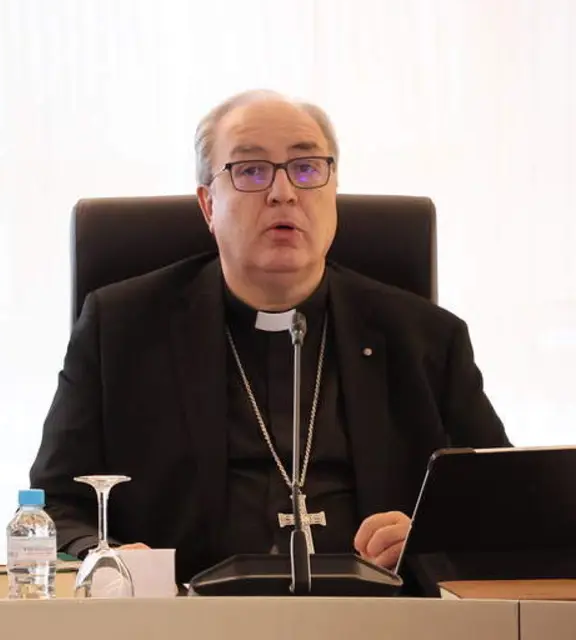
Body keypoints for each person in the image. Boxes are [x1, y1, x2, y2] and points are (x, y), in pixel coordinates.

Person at [28, 90, 509, 584]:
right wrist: (108, 555)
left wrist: (425, 540)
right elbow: (55, 506)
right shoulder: (121, 329)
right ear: (207, 204)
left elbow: (505, 504)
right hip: (187, 627)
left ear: (332, 193)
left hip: (379, 626)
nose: (284, 192)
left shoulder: (426, 337)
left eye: (306, 168)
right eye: (252, 170)